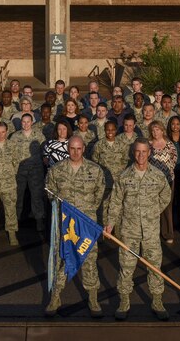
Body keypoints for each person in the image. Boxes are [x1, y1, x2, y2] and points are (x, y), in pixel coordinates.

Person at [106, 140, 172, 321]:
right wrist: (110, 224)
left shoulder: (158, 175)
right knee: (126, 268)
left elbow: (166, 195)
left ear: (149, 153)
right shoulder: (124, 176)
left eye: (144, 152)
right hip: (129, 230)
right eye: (138, 152)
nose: (141, 155)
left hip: (151, 231)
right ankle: (124, 302)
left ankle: (157, 301)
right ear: (133, 153)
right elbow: (116, 202)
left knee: (154, 267)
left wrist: (153, 210)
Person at [44, 136, 108, 318]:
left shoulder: (95, 170)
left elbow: (100, 192)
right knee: (61, 259)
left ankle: (93, 298)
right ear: (68, 149)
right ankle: (55, 297)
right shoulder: (56, 170)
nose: (75, 152)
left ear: (84, 148)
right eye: (72, 148)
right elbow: (49, 191)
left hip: (87, 224)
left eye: (79, 148)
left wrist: (86, 211)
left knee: (89, 260)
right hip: (65, 226)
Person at [11, 113, 47, 232]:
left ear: (32, 122)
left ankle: (39, 220)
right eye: (23, 122)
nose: (26, 124)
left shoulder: (39, 135)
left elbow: (44, 152)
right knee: (17, 195)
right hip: (19, 171)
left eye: (28, 121)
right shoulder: (15, 136)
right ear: (21, 123)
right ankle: (15, 220)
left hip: (35, 171)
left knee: (36, 196)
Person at [147, 121, 178, 244]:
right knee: (151, 206)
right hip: (151, 181)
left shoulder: (170, 145)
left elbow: (174, 160)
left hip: (168, 179)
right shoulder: (148, 145)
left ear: (162, 131)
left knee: (166, 206)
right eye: (153, 130)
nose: (155, 132)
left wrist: (164, 174)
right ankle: (152, 233)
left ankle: (168, 233)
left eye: (158, 130)